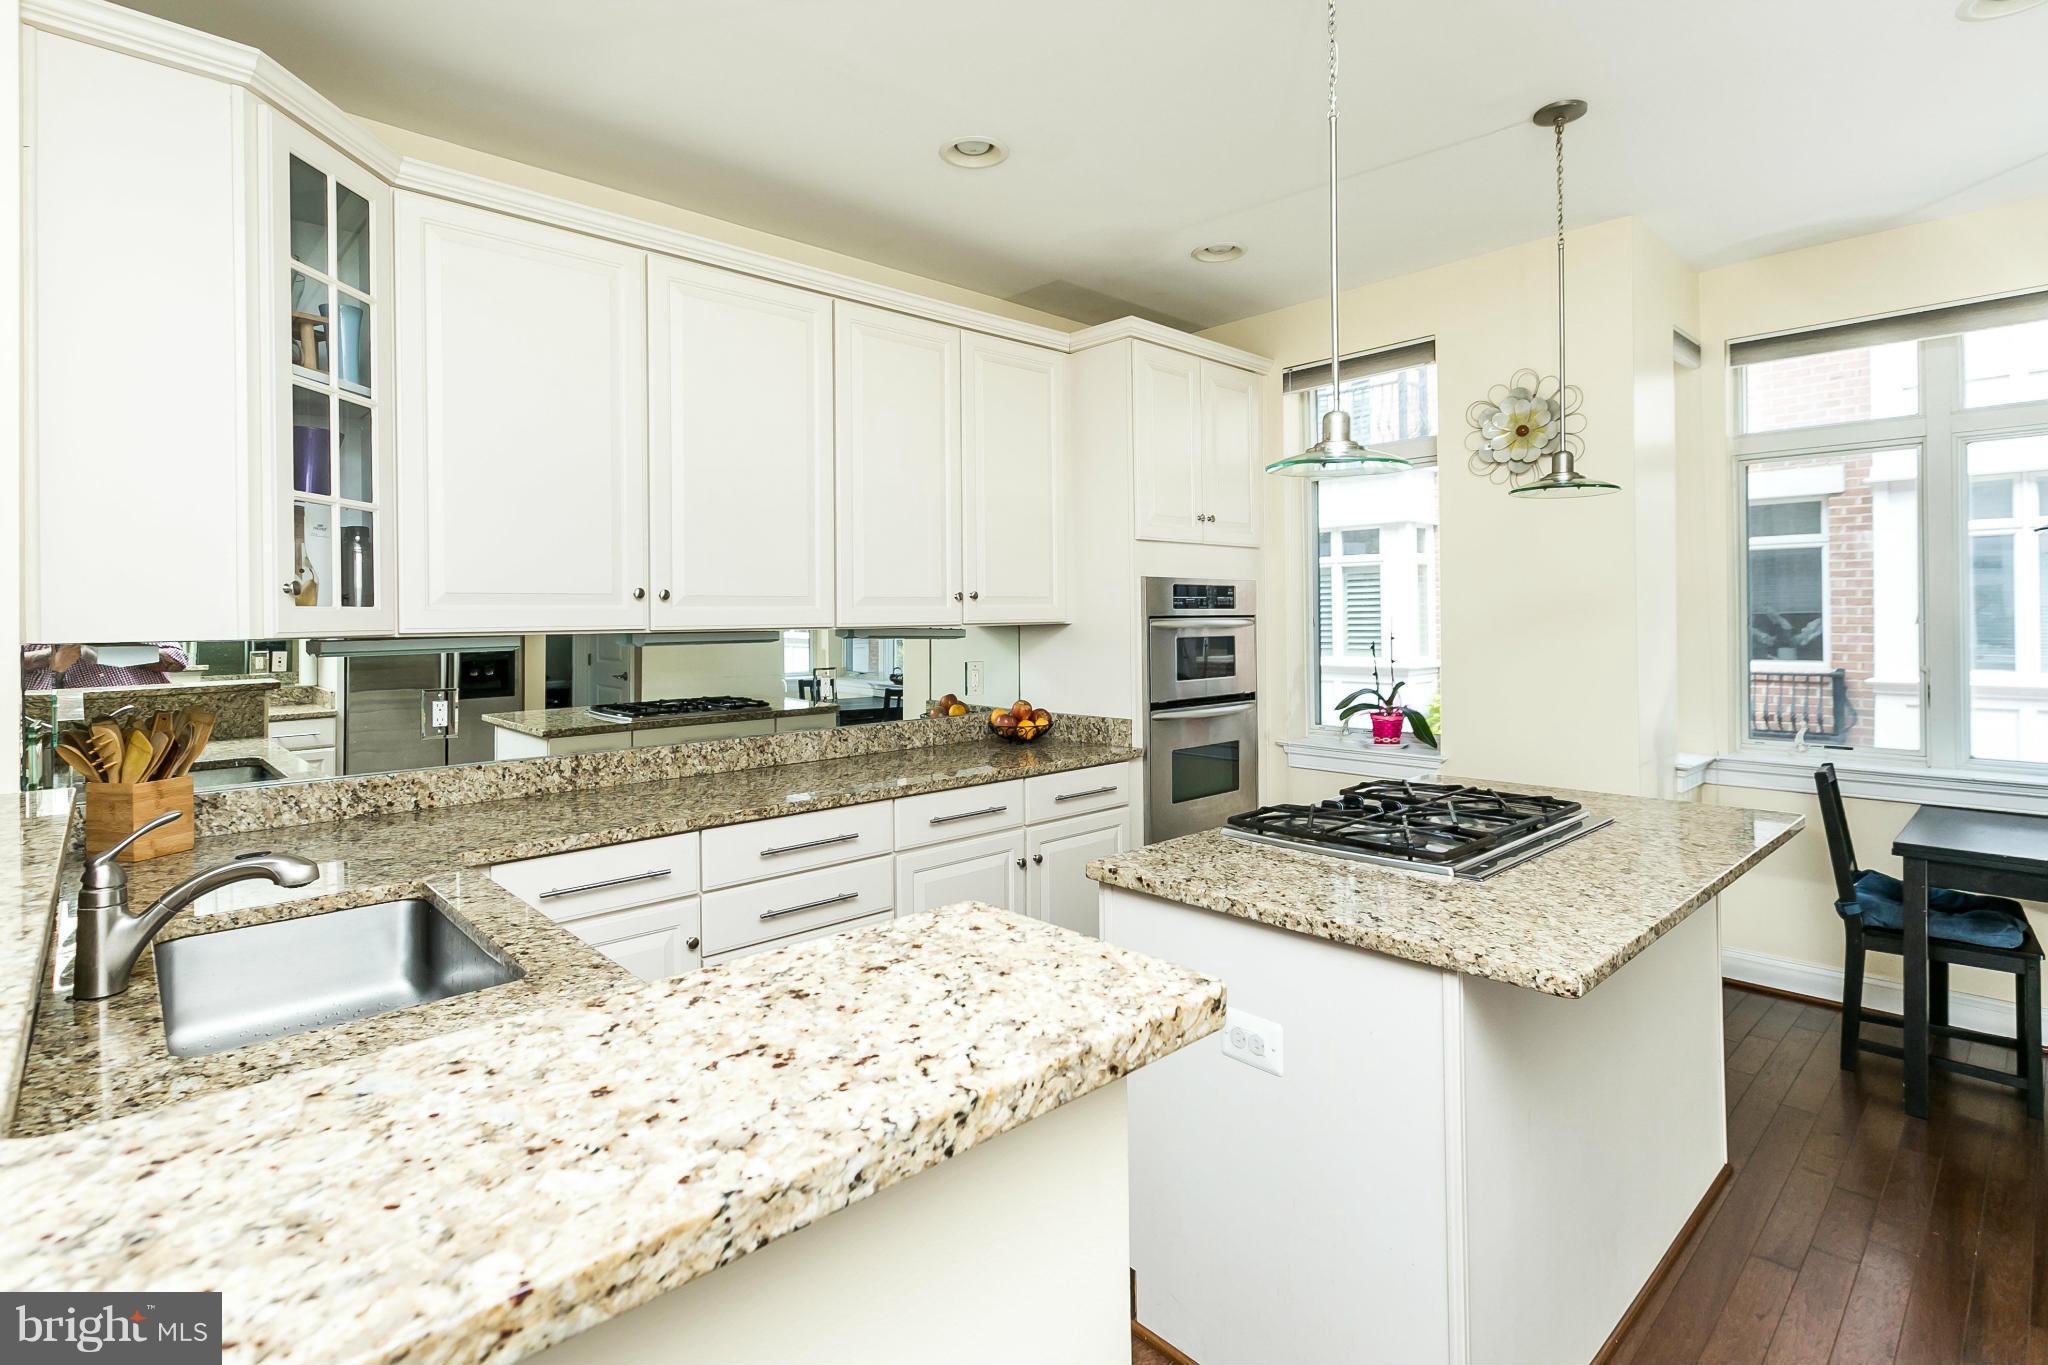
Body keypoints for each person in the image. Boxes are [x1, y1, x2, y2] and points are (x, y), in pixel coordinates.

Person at [22, 643, 191, 691]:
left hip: (142, 717)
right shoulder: (36, 617)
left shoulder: (137, 611)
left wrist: (94, 650)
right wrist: (53, 655)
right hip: (68, 728)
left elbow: (177, 661)